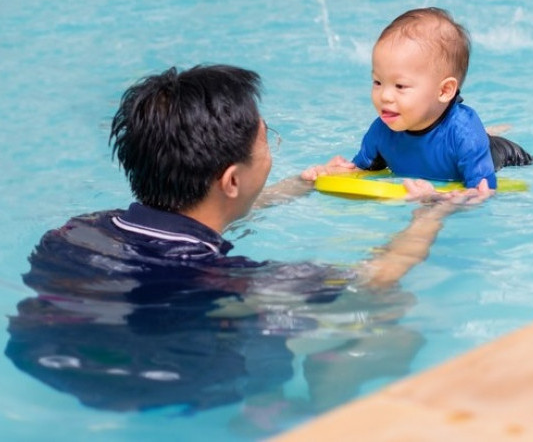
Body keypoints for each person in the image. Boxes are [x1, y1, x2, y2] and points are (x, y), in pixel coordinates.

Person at [6, 64, 481, 416]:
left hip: (47, 360)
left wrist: (300, 185)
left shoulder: (75, 232)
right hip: (177, 386)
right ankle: (283, 412)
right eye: (266, 139)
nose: (270, 151)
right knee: (390, 316)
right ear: (232, 180)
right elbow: (378, 276)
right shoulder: (242, 283)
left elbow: (192, 226)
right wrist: (428, 216)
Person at [301, 7, 533, 197]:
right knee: (457, 137)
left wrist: (443, 199)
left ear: (444, 91)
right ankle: (486, 132)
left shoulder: (464, 133)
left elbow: (483, 190)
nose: (384, 95)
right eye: (377, 82)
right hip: (457, 138)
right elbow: (363, 171)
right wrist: (327, 170)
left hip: (499, 155)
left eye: (400, 86)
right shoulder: (382, 129)